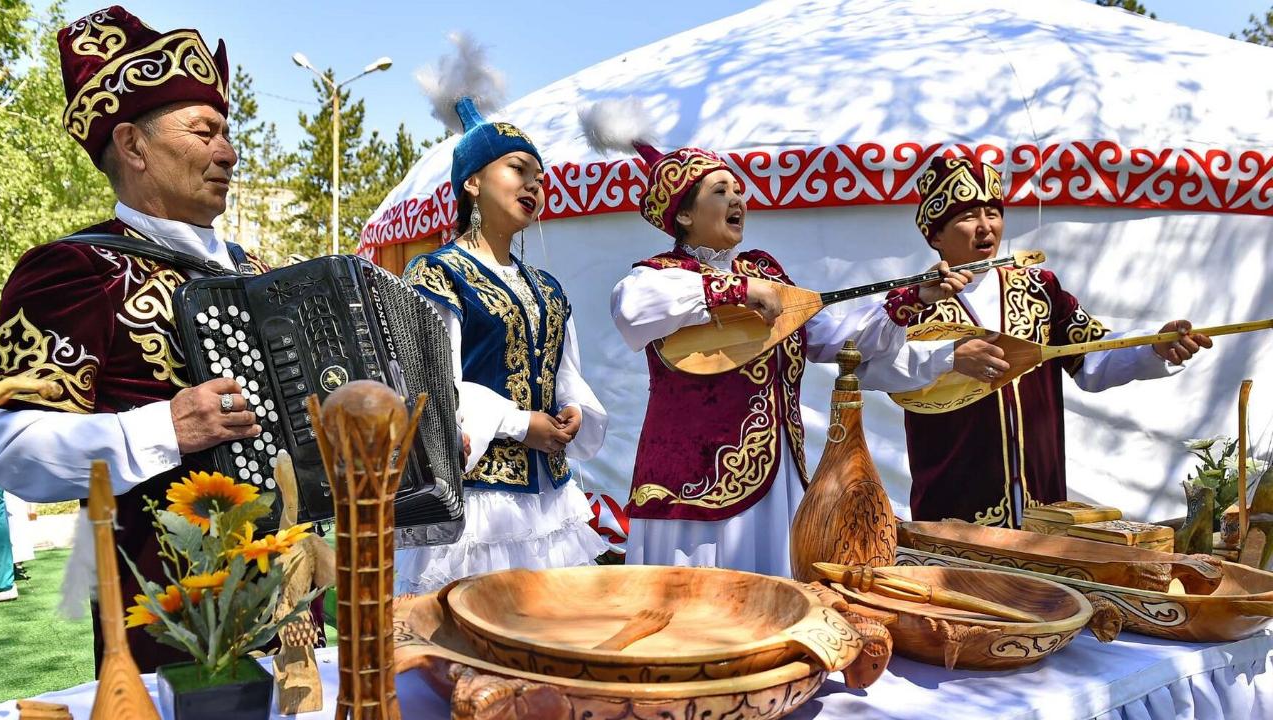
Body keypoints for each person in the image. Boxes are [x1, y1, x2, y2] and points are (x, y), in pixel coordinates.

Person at [0, 5, 282, 671]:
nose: (229, 152)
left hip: (287, 590)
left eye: (226, 133)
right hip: (164, 612)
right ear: (132, 145)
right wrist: (160, 430)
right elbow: (7, 445)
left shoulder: (261, 274)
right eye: (205, 132)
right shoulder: (75, 269)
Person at [603, 127, 971, 577]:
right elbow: (631, 306)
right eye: (720, 191)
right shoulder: (660, 275)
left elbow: (836, 339)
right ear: (683, 214)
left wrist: (910, 300)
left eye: (738, 189)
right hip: (694, 491)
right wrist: (736, 290)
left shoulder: (766, 272)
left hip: (776, 485)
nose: (738, 199)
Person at [879, 156, 1212, 527]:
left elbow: (1091, 358)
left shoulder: (1040, 288)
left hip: (1043, 509)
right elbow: (882, 370)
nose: (986, 227)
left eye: (993, 213)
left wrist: (1153, 347)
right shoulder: (910, 306)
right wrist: (946, 355)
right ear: (936, 235)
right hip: (953, 510)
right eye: (968, 216)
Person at [396, 96, 608, 594]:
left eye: (540, 177)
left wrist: (573, 409)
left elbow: (564, 372)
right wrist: (518, 423)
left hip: (548, 500)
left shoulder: (547, 288)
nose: (534, 185)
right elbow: (430, 387)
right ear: (472, 182)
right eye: (518, 169)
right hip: (479, 502)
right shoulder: (437, 275)